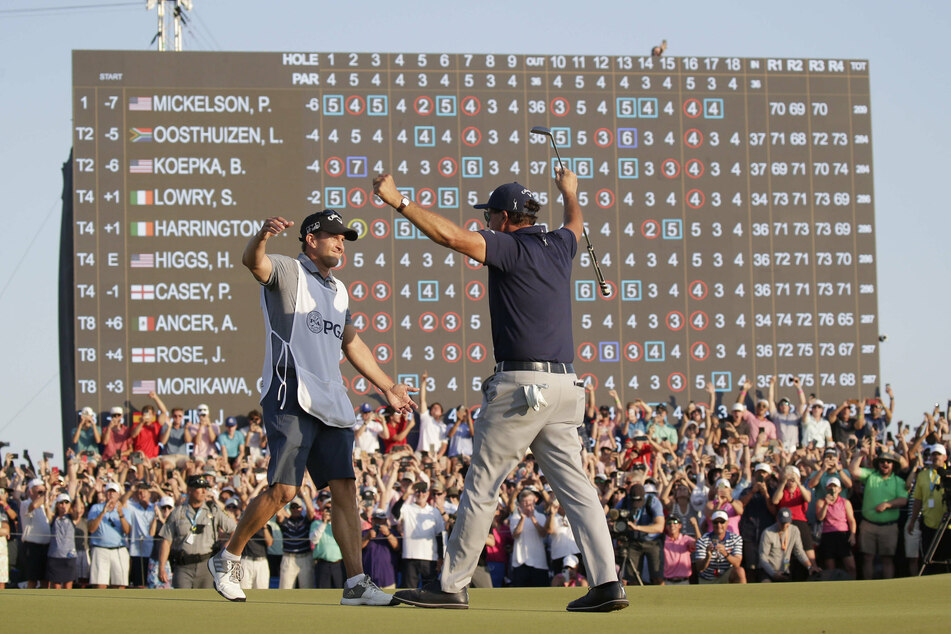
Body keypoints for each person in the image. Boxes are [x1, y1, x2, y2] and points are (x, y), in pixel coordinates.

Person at [375, 169, 627, 612]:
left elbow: (452, 238)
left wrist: (399, 202)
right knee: (579, 490)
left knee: (482, 486)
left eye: (491, 214)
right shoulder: (560, 245)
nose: (487, 222)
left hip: (523, 386)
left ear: (509, 218)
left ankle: (451, 585)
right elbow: (574, 224)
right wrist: (570, 193)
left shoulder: (511, 247)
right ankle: (607, 583)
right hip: (567, 386)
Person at [208, 209, 416, 606]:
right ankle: (228, 557)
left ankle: (356, 583)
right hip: (290, 390)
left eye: (344, 237)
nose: (340, 242)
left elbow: (351, 342)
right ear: (310, 239)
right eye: (333, 235)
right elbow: (253, 262)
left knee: (345, 491)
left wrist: (388, 386)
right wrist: (262, 235)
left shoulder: (339, 290)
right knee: (285, 490)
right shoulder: (288, 271)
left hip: (331, 398)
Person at [158, 474, 235, 588]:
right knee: (182, 601)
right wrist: (161, 567)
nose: (204, 491)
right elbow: (166, 541)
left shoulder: (213, 510)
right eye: (199, 487)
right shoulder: (177, 512)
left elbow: (235, 530)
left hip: (206, 565)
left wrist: (226, 551)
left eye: (205, 488)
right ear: (190, 490)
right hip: (183, 566)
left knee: (205, 603)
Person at [850, 448, 907, 579]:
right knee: (867, 557)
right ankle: (868, 588)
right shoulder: (871, 475)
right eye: (882, 461)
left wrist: (888, 504)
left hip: (889, 526)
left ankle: (888, 589)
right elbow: (853, 471)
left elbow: (903, 500)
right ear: (878, 463)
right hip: (868, 525)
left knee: (887, 559)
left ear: (893, 465)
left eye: (888, 461)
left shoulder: (898, 481)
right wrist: (859, 456)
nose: (885, 464)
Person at [908, 443, 950, 573]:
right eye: (933, 454)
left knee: (947, 558)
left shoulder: (949, 474)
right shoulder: (923, 475)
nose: (935, 457)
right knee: (930, 559)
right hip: (929, 524)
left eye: (938, 454)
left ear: (945, 457)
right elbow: (918, 501)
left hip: (948, 526)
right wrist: (912, 521)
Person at [397, 481, 445, 588]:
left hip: (430, 558)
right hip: (410, 556)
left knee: (430, 591)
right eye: (417, 491)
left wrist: (441, 558)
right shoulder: (407, 508)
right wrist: (406, 494)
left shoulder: (434, 512)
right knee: (408, 590)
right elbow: (395, 512)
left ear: (427, 494)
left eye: (423, 491)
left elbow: (440, 536)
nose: (421, 494)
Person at [616, 482, 666, 585]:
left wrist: (637, 528)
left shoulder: (653, 501)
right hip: (633, 542)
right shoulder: (625, 501)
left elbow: (660, 527)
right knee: (632, 578)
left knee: (657, 577)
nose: (636, 505)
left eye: (638, 501)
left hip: (652, 541)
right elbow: (611, 517)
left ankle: (662, 598)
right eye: (633, 501)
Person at [87, 482, 131, 588]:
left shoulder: (125, 511)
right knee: (99, 585)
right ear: (105, 493)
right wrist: (103, 512)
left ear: (118, 494)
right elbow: (91, 528)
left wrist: (120, 514)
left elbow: (127, 531)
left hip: (118, 550)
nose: (111, 494)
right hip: (100, 549)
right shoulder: (96, 508)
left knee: (119, 584)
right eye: (109, 491)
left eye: (113, 492)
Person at [758, 507, 819, 581]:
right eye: (782, 523)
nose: (784, 526)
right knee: (766, 585)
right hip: (769, 572)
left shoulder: (794, 530)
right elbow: (763, 557)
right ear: (777, 519)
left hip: (785, 572)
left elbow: (799, 552)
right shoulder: (767, 533)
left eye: (786, 523)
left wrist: (810, 567)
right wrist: (773, 574)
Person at [815, 477, 857, 578]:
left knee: (851, 566)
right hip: (828, 535)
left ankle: (853, 586)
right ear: (827, 488)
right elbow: (820, 517)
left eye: (835, 487)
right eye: (831, 486)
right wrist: (826, 504)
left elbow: (851, 520)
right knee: (831, 569)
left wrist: (853, 534)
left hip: (842, 534)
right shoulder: (821, 502)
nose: (833, 489)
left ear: (839, 489)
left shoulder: (845, 502)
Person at [694, 510, 746, 584]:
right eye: (716, 522)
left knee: (739, 571)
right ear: (712, 523)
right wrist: (708, 557)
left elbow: (737, 563)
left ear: (727, 522)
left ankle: (742, 595)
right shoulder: (703, 540)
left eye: (722, 522)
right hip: (707, 578)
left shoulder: (736, 539)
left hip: (726, 576)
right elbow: (699, 568)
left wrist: (725, 553)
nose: (719, 525)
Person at [20, 477, 52, 588]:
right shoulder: (25, 504)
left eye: (43, 492)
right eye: (40, 492)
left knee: (45, 580)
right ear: (31, 491)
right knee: (32, 580)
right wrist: (48, 491)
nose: (42, 494)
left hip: (46, 547)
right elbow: (33, 505)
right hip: (32, 548)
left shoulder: (45, 505)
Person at [123, 481, 156, 588]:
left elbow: (169, 503)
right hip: (137, 551)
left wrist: (158, 490)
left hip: (153, 551)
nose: (142, 495)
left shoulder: (155, 507)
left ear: (149, 493)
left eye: (144, 492)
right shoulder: (133, 507)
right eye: (139, 492)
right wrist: (131, 490)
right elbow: (121, 503)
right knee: (138, 583)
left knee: (153, 582)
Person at [46, 493, 79, 589]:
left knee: (68, 585)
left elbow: (78, 511)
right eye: (61, 503)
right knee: (56, 586)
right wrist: (50, 491)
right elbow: (47, 508)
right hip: (55, 556)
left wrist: (77, 495)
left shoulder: (72, 518)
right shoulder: (53, 518)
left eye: (66, 502)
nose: (63, 505)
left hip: (69, 556)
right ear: (57, 504)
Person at [131, 392, 168, 460]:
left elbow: (164, 412)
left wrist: (155, 398)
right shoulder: (136, 425)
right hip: (138, 455)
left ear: (153, 415)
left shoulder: (156, 425)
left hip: (153, 457)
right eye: (145, 414)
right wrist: (141, 423)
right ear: (142, 414)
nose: (147, 416)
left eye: (149, 414)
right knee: (139, 466)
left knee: (157, 467)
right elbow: (133, 435)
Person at [662, 516, 695, 585]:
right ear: (666, 526)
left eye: (675, 522)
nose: (672, 525)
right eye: (669, 523)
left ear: (680, 525)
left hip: (684, 581)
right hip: (667, 582)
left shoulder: (686, 539)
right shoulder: (662, 541)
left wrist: (695, 526)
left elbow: (698, 545)